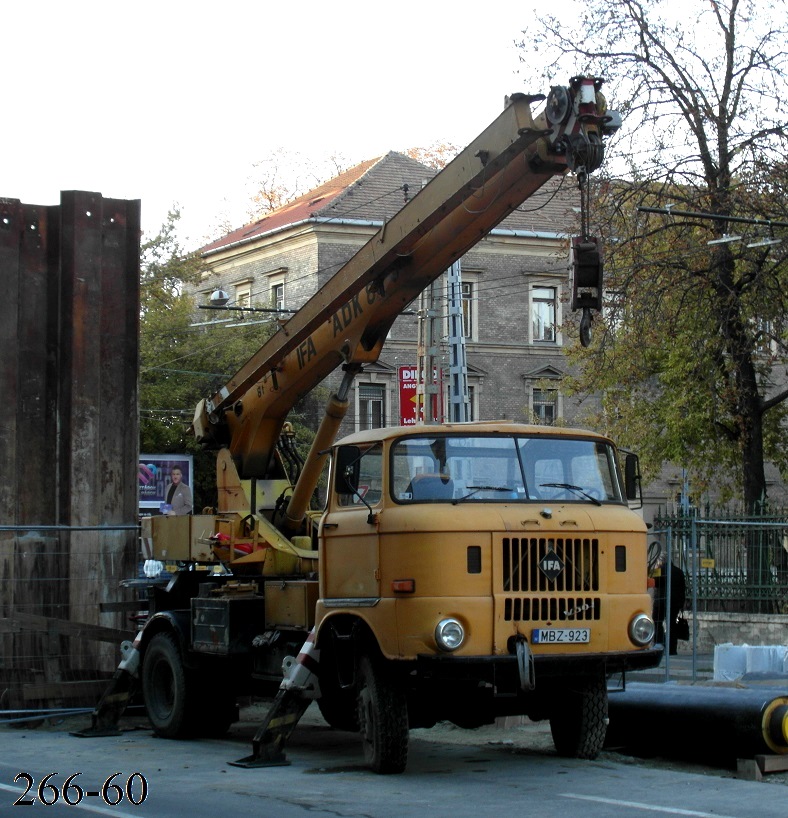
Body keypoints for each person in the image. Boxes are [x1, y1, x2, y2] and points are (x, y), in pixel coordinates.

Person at [653, 560, 687, 655]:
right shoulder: (679, 571)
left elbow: (655, 583)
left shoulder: (659, 570)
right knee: (672, 625)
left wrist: (655, 570)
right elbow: (682, 588)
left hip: (661, 602)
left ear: (661, 562)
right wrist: (682, 603)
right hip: (675, 603)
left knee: (657, 621)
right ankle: (672, 649)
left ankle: (660, 642)